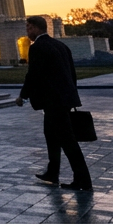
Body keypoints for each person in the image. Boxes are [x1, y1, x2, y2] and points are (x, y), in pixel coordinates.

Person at [16, 15, 92, 191]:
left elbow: (33, 75)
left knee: (68, 142)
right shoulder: (61, 46)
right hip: (62, 100)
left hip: (53, 103)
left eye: (28, 28)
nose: (27, 31)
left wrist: (23, 96)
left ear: (36, 28)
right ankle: (52, 172)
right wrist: (70, 95)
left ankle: (83, 180)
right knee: (51, 137)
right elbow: (72, 74)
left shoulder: (37, 48)